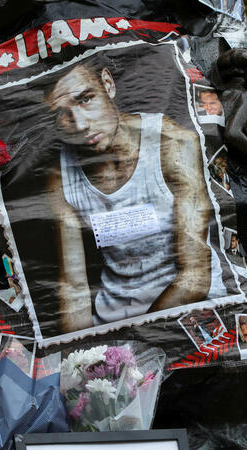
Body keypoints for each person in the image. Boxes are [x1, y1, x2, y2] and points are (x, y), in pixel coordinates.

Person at [44, 56, 226, 332]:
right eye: (62, 114)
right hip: (113, 320)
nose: (80, 125)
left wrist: (135, 343)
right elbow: (74, 287)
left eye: (85, 100)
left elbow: (195, 276)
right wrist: (81, 354)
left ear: (108, 84)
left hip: (187, 311)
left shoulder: (171, 145)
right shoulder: (61, 176)